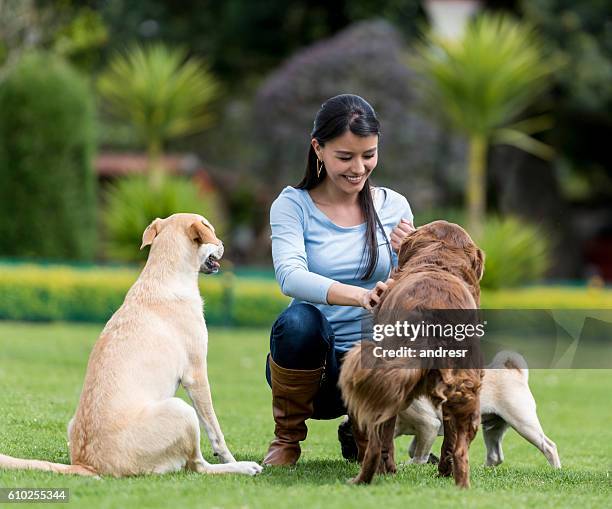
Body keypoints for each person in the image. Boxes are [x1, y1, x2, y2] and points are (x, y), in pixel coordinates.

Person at [263, 94, 415, 466]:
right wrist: (360, 296)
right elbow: (290, 276)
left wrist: (412, 254)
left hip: (372, 371)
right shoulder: (292, 205)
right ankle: (287, 440)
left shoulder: (392, 206)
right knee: (299, 319)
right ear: (318, 148)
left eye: (369, 154)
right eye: (345, 157)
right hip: (314, 373)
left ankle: (366, 431)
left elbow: (409, 290)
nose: (359, 168)